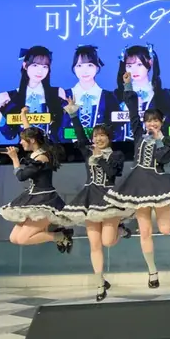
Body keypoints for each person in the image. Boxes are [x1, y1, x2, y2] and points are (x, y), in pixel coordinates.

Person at [105, 74, 170, 288]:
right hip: (138, 184)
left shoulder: (167, 140)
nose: (151, 123)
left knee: (165, 229)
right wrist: (127, 84)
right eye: (148, 120)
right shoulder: (139, 134)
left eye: (155, 120)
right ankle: (152, 271)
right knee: (145, 231)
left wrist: (158, 139)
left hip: (158, 183)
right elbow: (132, 109)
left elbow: (163, 158)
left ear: (161, 122)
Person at [60, 96, 127, 301]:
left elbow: (112, 173)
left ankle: (121, 231)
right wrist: (73, 114)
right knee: (95, 244)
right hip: (89, 198)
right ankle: (100, 283)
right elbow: (80, 136)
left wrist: (99, 157)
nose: (98, 139)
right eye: (96, 136)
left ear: (109, 138)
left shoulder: (116, 155)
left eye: (102, 136)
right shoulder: (88, 150)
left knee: (107, 241)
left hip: (109, 198)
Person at [0, 108, 74, 252]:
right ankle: (58, 235)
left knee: (22, 239)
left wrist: (14, 159)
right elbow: (29, 132)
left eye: (23, 140)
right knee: (14, 238)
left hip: (45, 200)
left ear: (32, 141)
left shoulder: (41, 157)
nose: (21, 142)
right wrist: (23, 116)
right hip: (33, 197)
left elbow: (21, 176)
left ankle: (61, 236)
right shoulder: (37, 151)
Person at [0, 46, 66, 141]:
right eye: (35, 65)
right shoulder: (11, 97)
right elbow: (10, 135)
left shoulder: (57, 93)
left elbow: (63, 128)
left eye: (45, 66)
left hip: (52, 148)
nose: (40, 71)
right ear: (25, 65)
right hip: (24, 148)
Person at [64, 45, 120, 138]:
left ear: (97, 68)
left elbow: (116, 129)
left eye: (90, 65)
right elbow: (59, 130)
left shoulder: (109, 97)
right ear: (74, 68)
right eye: (79, 66)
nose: (84, 71)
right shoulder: (65, 95)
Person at [114, 44, 165, 142]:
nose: (134, 70)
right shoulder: (117, 94)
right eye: (129, 66)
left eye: (139, 64)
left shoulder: (161, 94)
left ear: (150, 63)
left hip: (155, 145)